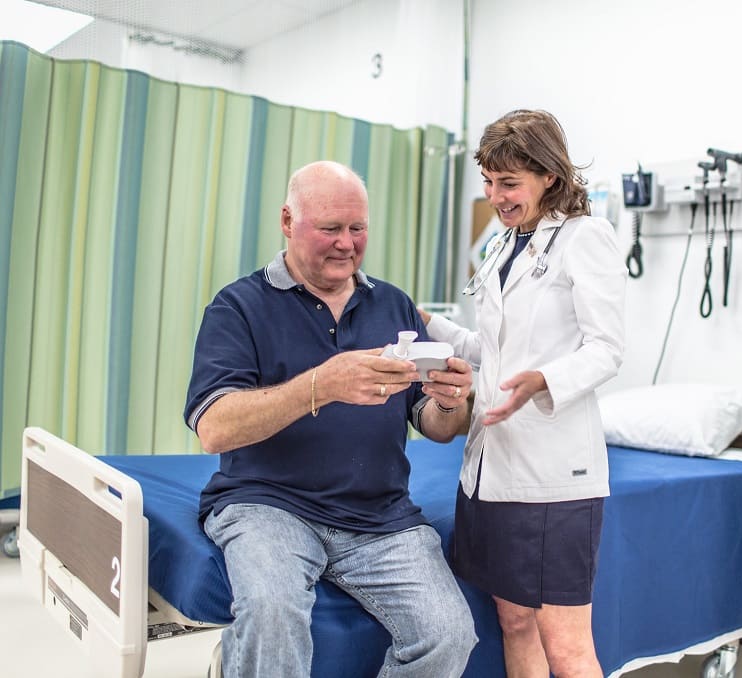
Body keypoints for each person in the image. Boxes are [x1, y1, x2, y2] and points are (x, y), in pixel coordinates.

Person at [184, 160, 478, 678]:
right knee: (272, 613)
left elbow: (430, 423)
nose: (346, 243)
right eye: (330, 229)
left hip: (381, 517)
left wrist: (450, 403)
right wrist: (321, 386)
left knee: (449, 635)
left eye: (357, 228)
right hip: (270, 506)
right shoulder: (238, 307)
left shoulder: (392, 304)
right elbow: (215, 427)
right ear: (287, 221)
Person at [419, 110, 626, 678]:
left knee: (568, 648)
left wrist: (542, 381)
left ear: (549, 176)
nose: (495, 196)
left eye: (508, 183)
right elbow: (492, 349)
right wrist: (424, 321)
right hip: (489, 469)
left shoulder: (586, 238)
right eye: (488, 182)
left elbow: (607, 348)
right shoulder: (503, 247)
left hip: (553, 477)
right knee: (514, 623)